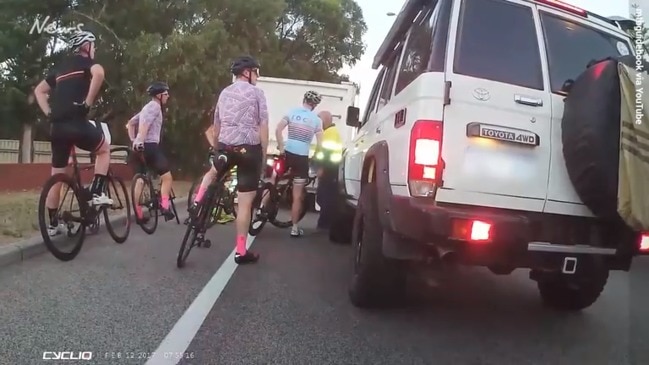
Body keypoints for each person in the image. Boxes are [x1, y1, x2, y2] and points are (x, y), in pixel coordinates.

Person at [33, 30, 113, 237]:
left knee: (58, 176)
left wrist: (49, 112)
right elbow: (100, 74)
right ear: (86, 47)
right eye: (93, 45)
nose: (94, 49)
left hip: (57, 127)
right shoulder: (87, 64)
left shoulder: (60, 68)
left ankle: (52, 225)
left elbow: (39, 91)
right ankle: (96, 192)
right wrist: (87, 103)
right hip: (76, 122)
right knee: (104, 150)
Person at [194, 55, 268, 264]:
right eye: (256, 71)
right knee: (245, 203)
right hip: (249, 149)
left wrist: (217, 147)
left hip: (226, 146)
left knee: (213, 171)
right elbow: (263, 125)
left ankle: (197, 203)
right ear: (247, 72)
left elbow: (216, 124)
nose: (257, 76)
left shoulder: (225, 92)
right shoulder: (257, 93)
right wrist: (262, 152)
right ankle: (241, 251)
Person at [275, 90, 324, 237]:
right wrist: (316, 156)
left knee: (273, 181)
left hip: (287, 153)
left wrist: (282, 147)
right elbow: (321, 144)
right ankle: (294, 228)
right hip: (301, 158)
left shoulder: (291, 112)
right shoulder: (316, 120)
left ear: (303, 100)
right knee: (297, 196)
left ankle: (260, 211)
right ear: (314, 105)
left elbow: (278, 129)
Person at [126, 81, 174, 222]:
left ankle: (138, 214)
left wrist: (133, 140)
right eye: (165, 94)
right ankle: (165, 206)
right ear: (159, 96)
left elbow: (130, 123)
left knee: (140, 179)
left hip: (139, 147)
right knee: (167, 177)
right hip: (150, 146)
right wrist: (140, 138)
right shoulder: (154, 107)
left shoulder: (146, 108)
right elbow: (145, 124)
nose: (168, 96)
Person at [312, 111, 343, 230]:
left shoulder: (330, 133)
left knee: (325, 196)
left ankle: (324, 224)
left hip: (329, 168)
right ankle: (325, 222)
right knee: (324, 196)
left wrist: (321, 168)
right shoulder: (329, 132)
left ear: (325, 120)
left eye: (319, 119)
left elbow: (326, 152)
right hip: (330, 168)